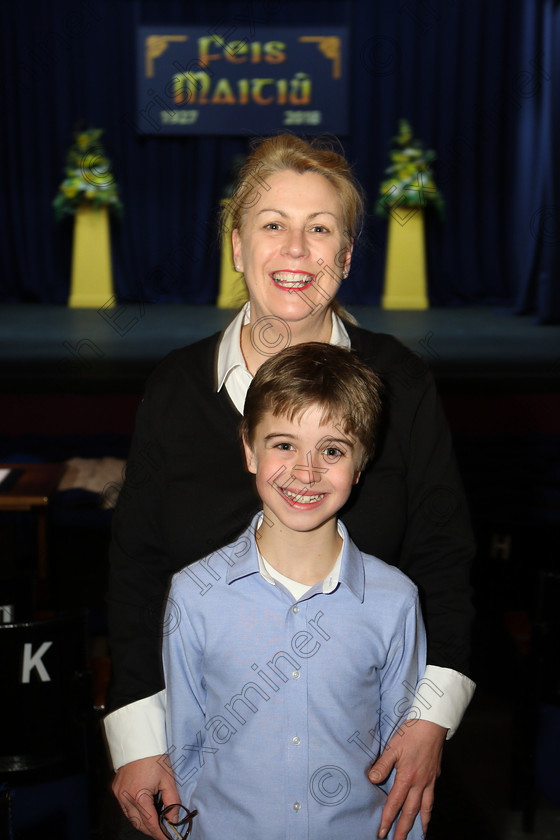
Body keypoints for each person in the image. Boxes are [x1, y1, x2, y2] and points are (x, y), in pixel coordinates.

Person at [105, 133, 476, 840]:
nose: (296, 250)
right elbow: (137, 569)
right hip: (201, 767)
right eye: (273, 225)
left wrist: (431, 719)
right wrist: (138, 739)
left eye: (321, 229)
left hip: (358, 766)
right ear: (238, 247)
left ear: (345, 255)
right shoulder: (177, 388)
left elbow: (443, 558)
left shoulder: (402, 384)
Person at [162, 341, 427, 840]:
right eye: (283, 444)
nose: (306, 472)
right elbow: (185, 750)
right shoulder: (194, 595)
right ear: (248, 449)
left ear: (361, 461)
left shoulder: (395, 600)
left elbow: (402, 759)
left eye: (332, 450)